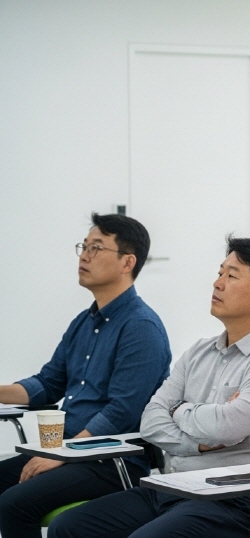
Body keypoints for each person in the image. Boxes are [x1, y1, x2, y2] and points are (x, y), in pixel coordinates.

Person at [47, 236, 250, 538]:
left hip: (231, 501)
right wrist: (197, 439)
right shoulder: (199, 351)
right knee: (68, 527)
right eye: (220, 272)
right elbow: (151, 421)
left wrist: (179, 408)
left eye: (231, 276)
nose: (217, 283)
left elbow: (225, 428)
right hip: (172, 486)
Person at [0, 213, 171, 538]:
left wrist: (63, 453)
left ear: (127, 262)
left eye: (97, 247)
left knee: (14, 503)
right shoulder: (84, 321)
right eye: (84, 246)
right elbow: (48, 384)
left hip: (111, 459)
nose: (85, 255)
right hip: (68, 451)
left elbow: (123, 411)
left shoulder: (141, 327)